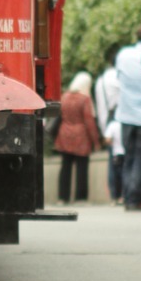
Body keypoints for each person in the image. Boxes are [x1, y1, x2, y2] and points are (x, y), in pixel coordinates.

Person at [115, 25, 141, 211]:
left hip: (125, 113)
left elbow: (119, 77)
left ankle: (127, 196)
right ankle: (134, 199)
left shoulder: (124, 54)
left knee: (129, 156)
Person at [54, 72, 101, 205]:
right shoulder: (85, 99)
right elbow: (89, 121)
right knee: (82, 167)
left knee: (65, 166)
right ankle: (81, 198)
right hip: (81, 136)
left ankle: (62, 197)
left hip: (64, 133)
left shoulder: (65, 96)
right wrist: (95, 141)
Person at [94, 45, 121, 203]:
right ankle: (122, 193)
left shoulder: (101, 80)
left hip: (106, 123)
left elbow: (100, 106)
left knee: (112, 160)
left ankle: (114, 194)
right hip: (120, 122)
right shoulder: (118, 78)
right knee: (122, 159)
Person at [102, 119, 124, 205]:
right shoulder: (126, 124)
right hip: (126, 153)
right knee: (124, 175)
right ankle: (124, 196)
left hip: (116, 153)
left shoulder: (113, 125)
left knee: (114, 175)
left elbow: (107, 139)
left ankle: (114, 197)